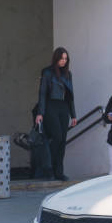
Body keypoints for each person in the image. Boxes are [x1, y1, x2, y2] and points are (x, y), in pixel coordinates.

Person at [35, 47, 77, 181]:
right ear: (56, 58)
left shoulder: (68, 74)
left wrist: (73, 115)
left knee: (62, 141)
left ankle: (59, 172)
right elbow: (42, 93)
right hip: (50, 107)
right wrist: (40, 113)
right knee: (57, 137)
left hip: (63, 108)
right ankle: (48, 168)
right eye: (61, 58)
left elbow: (70, 96)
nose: (63, 61)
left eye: (65, 59)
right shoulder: (47, 72)